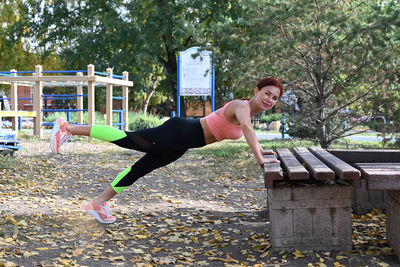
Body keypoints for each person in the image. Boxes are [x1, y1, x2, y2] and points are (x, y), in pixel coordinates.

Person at [50, 77, 283, 223]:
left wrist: (263, 151)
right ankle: (67, 127)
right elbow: (247, 129)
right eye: (267, 94)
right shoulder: (241, 106)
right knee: (128, 138)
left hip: (183, 144)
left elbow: (249, 130)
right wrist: (260, 158)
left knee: (140, 169)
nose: (270, 100)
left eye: (274, 98)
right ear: (256, 90)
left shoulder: (249, 113)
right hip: (180, 132)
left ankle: (98, 203)